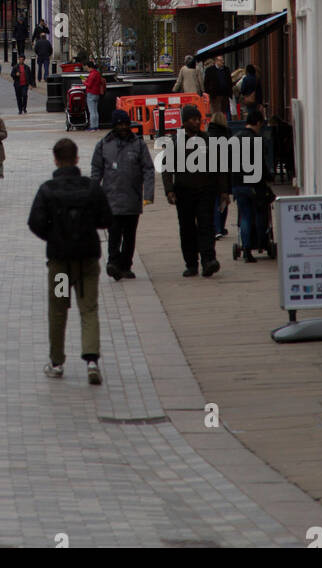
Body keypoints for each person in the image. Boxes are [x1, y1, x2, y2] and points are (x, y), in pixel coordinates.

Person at [27, 137, 113, 385]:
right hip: (86, 260)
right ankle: (92, 360)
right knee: (88, 308)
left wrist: (53, 237)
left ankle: (57, 361)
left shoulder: (47, 190)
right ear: (77, 159)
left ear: (55, 160)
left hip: (61, 262)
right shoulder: (91, 188)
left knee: (58, 309)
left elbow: (35, 222)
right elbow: (106, 218)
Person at [161, 104, 227, 277]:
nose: (197, 122)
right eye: (193, 119)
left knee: (207, 226)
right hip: (184, 191)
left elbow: (220, 167)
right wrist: (169, 190)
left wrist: (224, 191)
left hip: (206, 190)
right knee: (187, 228)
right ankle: (191, 264)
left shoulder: (208, 140)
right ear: (184, 122)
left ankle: (208, 261)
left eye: (198, 119)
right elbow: (167, 168)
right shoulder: (175, 142)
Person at [90, 110, 155, 279]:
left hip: (132, 198)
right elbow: (96, 171)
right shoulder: (103, 144)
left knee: (129, 236)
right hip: (111, 199)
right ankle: (113, 262)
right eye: (120, 124)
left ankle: (126, 265)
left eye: (126, 124)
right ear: (114, 126)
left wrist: (148, 194)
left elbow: (148, 169)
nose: (123, 127)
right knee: (114, 233)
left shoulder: (138, 144)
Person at [233, 107, 275, 262]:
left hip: (238, 184)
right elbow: (262, 166)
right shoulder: (257, 140)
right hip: (255, 185)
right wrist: (269, 177)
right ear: (257, 123)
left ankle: (246, 248)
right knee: (258, 215)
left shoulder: (235, 139)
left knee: (244, 216)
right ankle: (260, 242)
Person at [204, 53, 233, 118]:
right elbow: (206, 83)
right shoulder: (210, 70)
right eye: (221, 60)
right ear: (216, 61)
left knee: (223, 112)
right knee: (216, 112)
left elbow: (229, 81)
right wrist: (209, 92)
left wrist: (229, 91)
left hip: (225, 95)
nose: (223, 62)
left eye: (223, 60)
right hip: (215, 95)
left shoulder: (226, 69)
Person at [84, 63, 107, 130]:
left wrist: (84, 82)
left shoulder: (92, 74)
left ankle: (92, 126)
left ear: (89, 67)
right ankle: (96, 126)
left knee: (92, 111)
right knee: (95, 111)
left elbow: (89, 85)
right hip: (97, 93)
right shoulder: (97, 73)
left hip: (91, 93)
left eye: (87, 68)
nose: (87, 69)